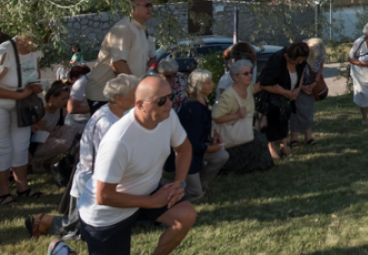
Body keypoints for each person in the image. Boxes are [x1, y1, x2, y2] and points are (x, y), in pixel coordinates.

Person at [78, 75, 196, 255]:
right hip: (107, 215)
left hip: (146, 194)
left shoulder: (167, 116)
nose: (169, 104)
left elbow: (184, 148)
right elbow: (104, 196)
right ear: (140, 105)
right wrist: (151, 202)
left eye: (170, 97)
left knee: (185, 215)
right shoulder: (118, 141)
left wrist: (179, 183)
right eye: (161, 100)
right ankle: (61, 250)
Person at [26, 74, 140, 241]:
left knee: (87, 225)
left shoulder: (115, 113)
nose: (138, 98)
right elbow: (104, 160)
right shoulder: (106, 122)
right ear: (119, 98)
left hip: (96, 179)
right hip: (90, 182)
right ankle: (41, 221)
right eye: (134, 94)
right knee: (77, 228)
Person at [166, 70, 229, 199]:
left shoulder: (202, 101)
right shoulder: (191, 109)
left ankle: (200, 183)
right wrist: (209, 148)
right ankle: (170, 187)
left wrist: (214, 133)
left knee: (222, 155)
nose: (213, 84)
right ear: (199, 87)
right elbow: (191, 142)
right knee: (195, 193)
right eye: (208, 83)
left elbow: (203, 124)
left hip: (197, 149)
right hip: (186, 154)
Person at [85, 0, 156, 107]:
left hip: (125, 94)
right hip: (105, 96)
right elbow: (118, 64)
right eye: (147, 5)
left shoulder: (141, 30)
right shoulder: (123, 28)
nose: (150, 9)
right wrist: (135, 88)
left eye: (150, 5)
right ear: (132, 8)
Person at [0, 33, 45, 206]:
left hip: (22, 106)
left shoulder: (35, 50)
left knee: (21, 147)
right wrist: (19, 95)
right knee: (3, 149)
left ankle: (23, 188)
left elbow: (36, 76)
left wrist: (37, 86)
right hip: (2, 105)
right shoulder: (5, 50)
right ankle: (3, 193)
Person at [212, 59, 273, 173]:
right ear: (236, 77)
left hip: (243, 131)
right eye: (246, 73)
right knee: (259, 140)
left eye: (251, 72)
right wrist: (237, 115)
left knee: (261, 139)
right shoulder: (228, 96)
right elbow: (215, 117)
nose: (250, 75)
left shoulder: (248, 88)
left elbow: (260, 86)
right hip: (230, 135)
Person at [259, 41, 309, 159]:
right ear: (291, 56)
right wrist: (284, 92)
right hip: (272, 98)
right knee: (272, 122)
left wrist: (297, 89)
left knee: (285, 119)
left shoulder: (301, 61)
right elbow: (264, 83)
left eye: (302, 60)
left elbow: (301, 73)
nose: (300, 62)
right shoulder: (277, 60)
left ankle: (284, 146)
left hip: (288, 96)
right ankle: (271, 148)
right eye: (298, 60)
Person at [30, 81, 77, 169]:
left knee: (72, 129)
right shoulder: (43, 113)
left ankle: (50, 159)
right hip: (37, 145)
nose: (66, 101)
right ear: (52, 98)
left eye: (67, 98)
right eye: (63, 99)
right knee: (63, 143)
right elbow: (38, 139)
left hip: (48, 137)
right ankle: (36, 162)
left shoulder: (59, 110)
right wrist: (51, 134)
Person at [289, 38, 325, 147]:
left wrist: (314, 83)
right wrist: (302, 87)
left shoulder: (320, 54)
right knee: (295, 113)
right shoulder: (302, 53)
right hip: (297, 86)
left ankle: (308, 137)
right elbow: (295, 71)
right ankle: (293, 139)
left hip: (310, 87)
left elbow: (320, 68)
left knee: (308, 112)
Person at [348, 24, 368, 124]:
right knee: (362, 95)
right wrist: (362, 64)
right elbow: (350, 58)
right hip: (360, 74)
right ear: (366, 35)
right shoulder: (359, 42)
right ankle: (365, 118)